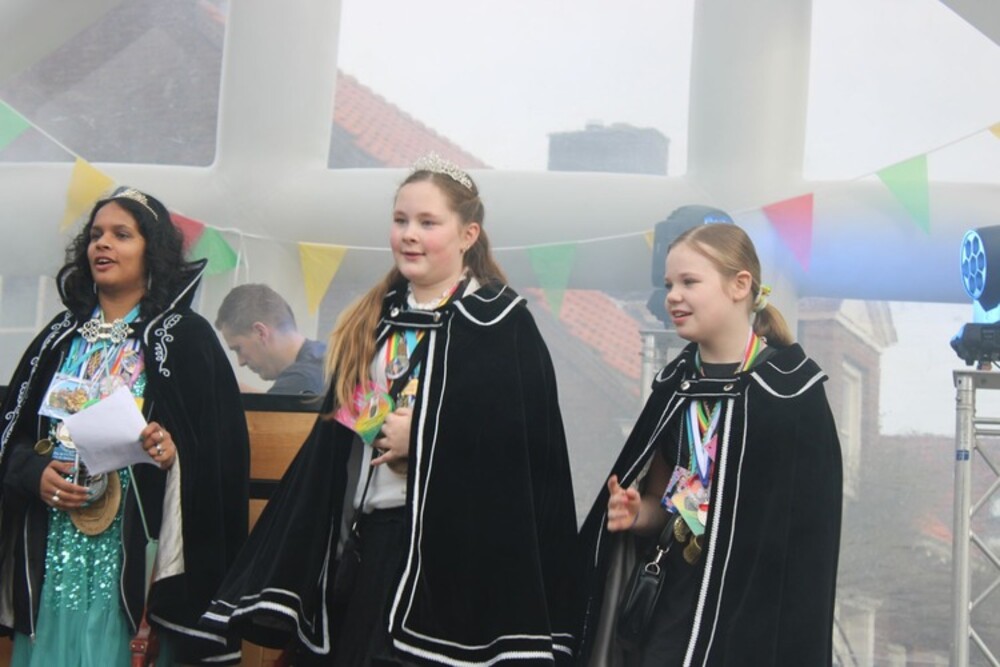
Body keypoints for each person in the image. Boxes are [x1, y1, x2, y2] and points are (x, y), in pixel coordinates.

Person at [203, 154, 579, 665]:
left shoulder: (500, 325)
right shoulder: (376, 322)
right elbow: (345, 442)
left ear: (468, 234)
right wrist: (386, 434)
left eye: (428, 223)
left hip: (457, 565)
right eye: (401, 220)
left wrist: (422, 441)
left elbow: (524, 454)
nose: (409, 234)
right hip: (374, 548)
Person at [0, 187, 250, 665]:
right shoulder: (57, 337)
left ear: (151, 250)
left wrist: (171, 453)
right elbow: (13, 436)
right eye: (96, 235)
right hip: (53, 547)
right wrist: (35, 474)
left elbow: (218, 456)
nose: (103, 244)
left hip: (134, 555)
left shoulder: (185, 338)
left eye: (121, 234)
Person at [576, 222, 842, 665]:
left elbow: (806, 543)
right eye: (669, 285)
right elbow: (674, 507)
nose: (673, 296)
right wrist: (638, 514)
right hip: (672, 609)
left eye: (689, 282)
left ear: (740, 285)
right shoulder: (676, 387)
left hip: (750, 622)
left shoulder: (790, 394)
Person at [215, 283, 327, 395]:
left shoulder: (301, 379)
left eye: (238, 349)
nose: (241, 362)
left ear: (260, 332)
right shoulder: (322, 358)